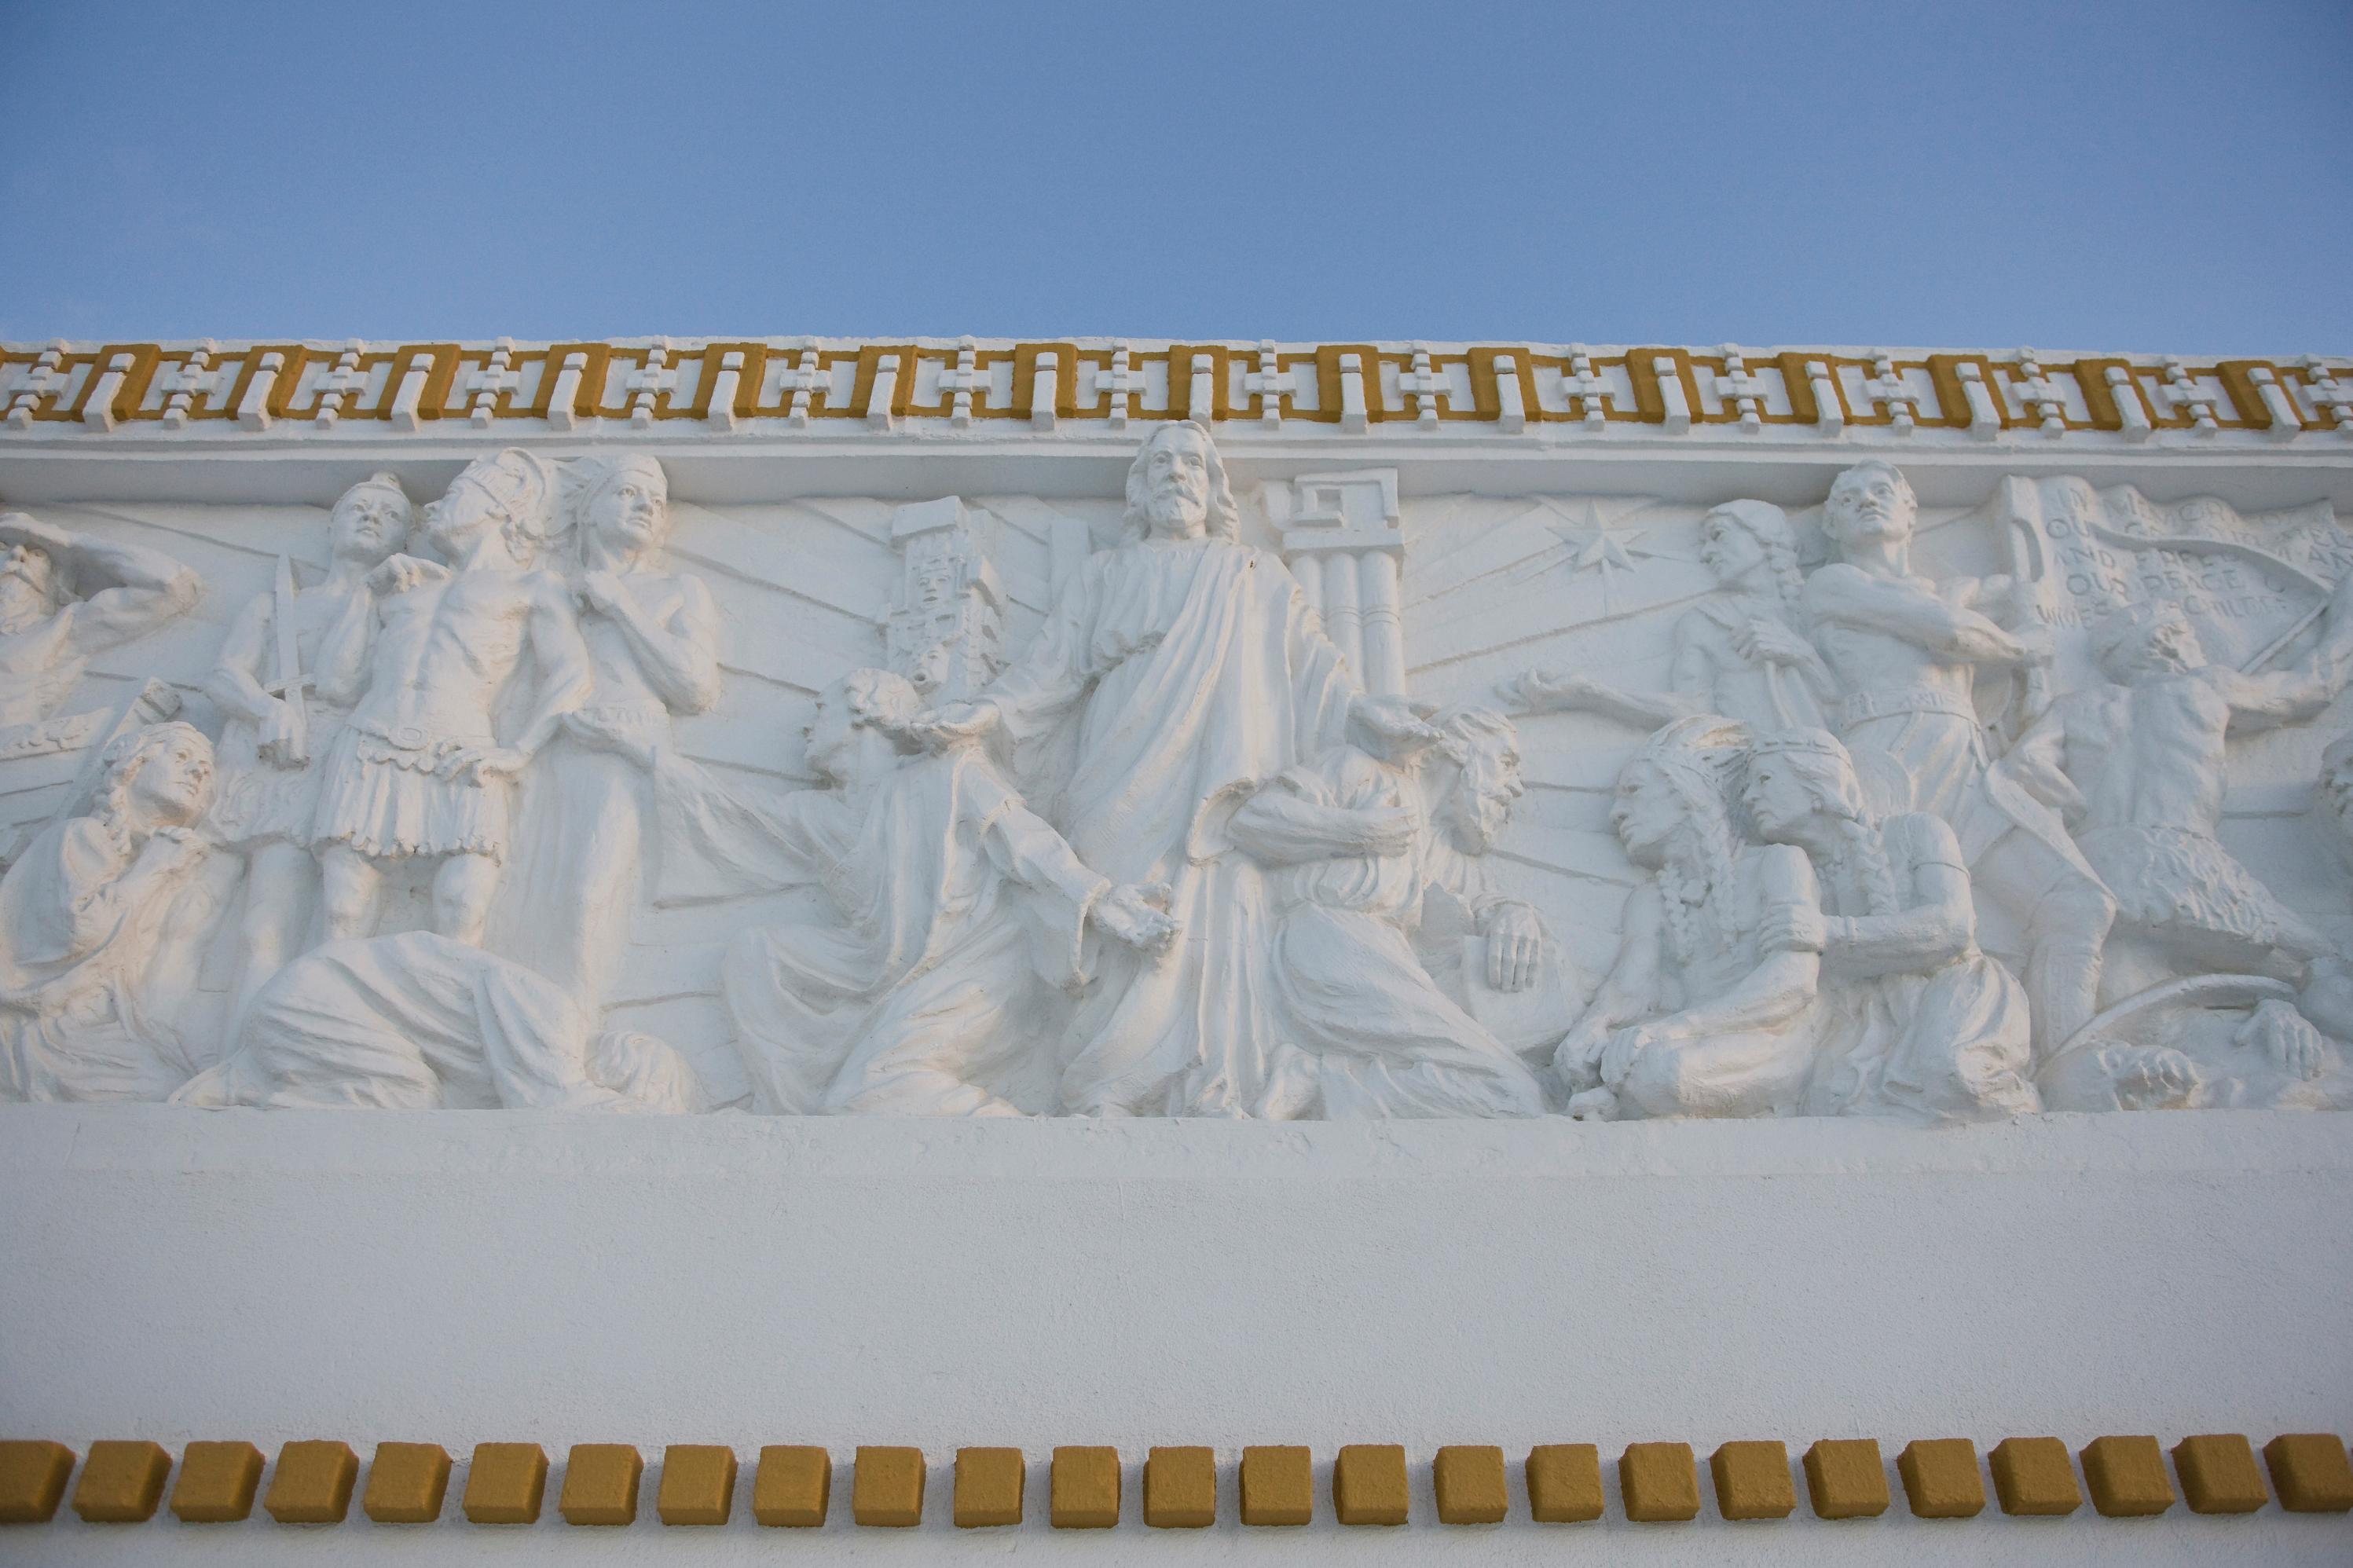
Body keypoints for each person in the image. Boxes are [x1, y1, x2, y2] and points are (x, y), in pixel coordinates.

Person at [912, 423, 1428, 1116]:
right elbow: (1049, 671)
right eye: (1159, 463)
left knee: (1218, 911)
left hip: (1218, 774)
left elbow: (1317, 673)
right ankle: (1105, 1084)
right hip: (1119, 763)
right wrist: (985, 712)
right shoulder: (1104, 574)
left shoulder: (1251, 573)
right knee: (1124, 910)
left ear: (1213, 487)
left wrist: (1369, 715)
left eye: (1190, 463)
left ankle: (1212, 1083)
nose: (1175, 474)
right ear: (1140, 487)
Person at [718, 669, 1178, 1116]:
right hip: (878, 965)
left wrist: (1098, 901)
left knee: (871, 1091)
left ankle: (1031, 1145)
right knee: (757, 952)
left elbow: (1023, 841)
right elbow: (726, 813)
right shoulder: (820, 814)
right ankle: (784, 1113)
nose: (808, 725)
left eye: (822, 708)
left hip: (977, 965)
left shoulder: (948, 774)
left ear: (864, 712)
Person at [1804, 460, 2114, 1050]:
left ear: (1910, 511)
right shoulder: (1834, 584)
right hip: (1894, 760)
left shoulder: (1941, 591)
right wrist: (2024, 646)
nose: (1866, 501)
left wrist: (1996, 601)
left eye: (1881, 491)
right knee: (1903, 925)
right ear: (1830, 523)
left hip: (1968, 762)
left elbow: (1954, 621)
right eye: (1848, 498)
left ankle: (2071, 1059)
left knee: (2077, 903)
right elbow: (1949, 633)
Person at [307, 449, 592, 947]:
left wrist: (519, 751)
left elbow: (571, 673)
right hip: (370, 746)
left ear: (496, 508)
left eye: (454, 494)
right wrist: (367, 593)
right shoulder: (403, 583)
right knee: (342, 911)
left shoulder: (530, 587)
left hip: (463, 755)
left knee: (463, 907)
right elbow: (335, 684)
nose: (435, 506)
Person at [1224, 704, 1548, 1118]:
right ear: (1460, 751)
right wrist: (1358, 832)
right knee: (1511, 1093)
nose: (1516, 787)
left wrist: (1513, 914)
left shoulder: (1437, 846)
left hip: (1381, 951)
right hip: (1331, 942)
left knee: (1512, 1095)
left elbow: (1472, 899)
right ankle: (1317, 1079)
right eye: (1506, 762)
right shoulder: (1360, 769)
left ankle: (1318, 1076)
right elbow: (1253, 819)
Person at [495, 454, 721, 1009]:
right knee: (518, 894)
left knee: (587, 895)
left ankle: (568, 1029)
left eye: (657, 502)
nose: (647, 507)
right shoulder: (543, 588)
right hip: (545, 747)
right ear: (588, 510)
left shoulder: (677, 588)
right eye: (628, 492)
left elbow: (694, 688)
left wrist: (621, 606)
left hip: (625, 751)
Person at [1739, 727, 2039, 1123]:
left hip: (1952, 993)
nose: (1749, 797)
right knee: (1831, 1096)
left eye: (1764, 779)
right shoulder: (1792, 874)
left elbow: (1953, 925)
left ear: (1817, 784)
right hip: (1861, 1014)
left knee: (1949, 1076)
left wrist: (1829, 932)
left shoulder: (1919, 832)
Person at [205, 473, 414, 1024]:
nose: (371, 518)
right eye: (359, 508)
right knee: (213, 913)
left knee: (288, 920)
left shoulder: (402, 609)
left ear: (405, 539)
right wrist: (265, 710)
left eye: (389, 514)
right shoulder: (279, 603)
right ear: (332, 523)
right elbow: (226, 674)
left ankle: (271, 1045)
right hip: (263, 758)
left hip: (339, 757)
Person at [1553, 717, 1823, 1119]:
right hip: (1684, 1036)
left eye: (1633, 791)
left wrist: (1674, 1029)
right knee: (1622, 1060)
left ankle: (1621, 1098)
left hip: (1771, 1035)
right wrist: (1592, 1025)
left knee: (1667, 1072)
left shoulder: (1777, 862)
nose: (1616, 813)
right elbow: (1631, 985)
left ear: (1686, 794)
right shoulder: (1652, 898)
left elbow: (1793, 982)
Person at [0, 724, 217, 1102]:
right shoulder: (82, 835)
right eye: (181, 757)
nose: (197, 773)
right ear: (134, 765)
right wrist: (152, 868)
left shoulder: (155, 853)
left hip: (114, 1023)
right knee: (161, 1093)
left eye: (205, 769)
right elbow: (79, 931)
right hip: (53, 1031)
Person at [1505, 499, 1833, 732]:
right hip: (1767, 774)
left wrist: (1801, 655)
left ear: (1766, 537)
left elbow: (1858, 697)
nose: (1707, 553)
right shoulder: (1705, 622)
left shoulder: (1823, 603)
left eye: (1719, 536)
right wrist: (1590, 693)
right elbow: (1691, 708)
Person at [0, 510, 202, 730]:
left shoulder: (60, 628)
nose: (17, 554)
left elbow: (166, 585)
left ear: (55, 583)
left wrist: (71, 542)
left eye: (39, 554)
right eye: (2, 548)